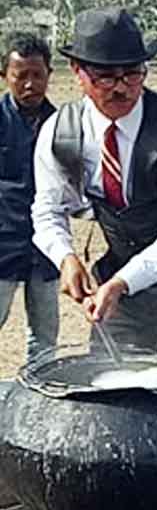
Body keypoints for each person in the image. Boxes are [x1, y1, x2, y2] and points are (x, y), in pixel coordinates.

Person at [32, 7, 157, 355]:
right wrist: (65, 257)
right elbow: (47, 210)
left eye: (133, 74)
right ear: (78, 72)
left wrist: (123, 282)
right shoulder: (60, 133)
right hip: (120, 274)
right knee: (115, 379)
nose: (121, 89)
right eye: (106, 77)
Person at [0, 32, 60, 362]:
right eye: (20, 76)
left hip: (46, 246)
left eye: (37, 75)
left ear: (50, 74)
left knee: (45, 336)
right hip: (3, 243)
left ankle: (39, 402)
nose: (30, 84)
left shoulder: (63, 124)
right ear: (4, 76)